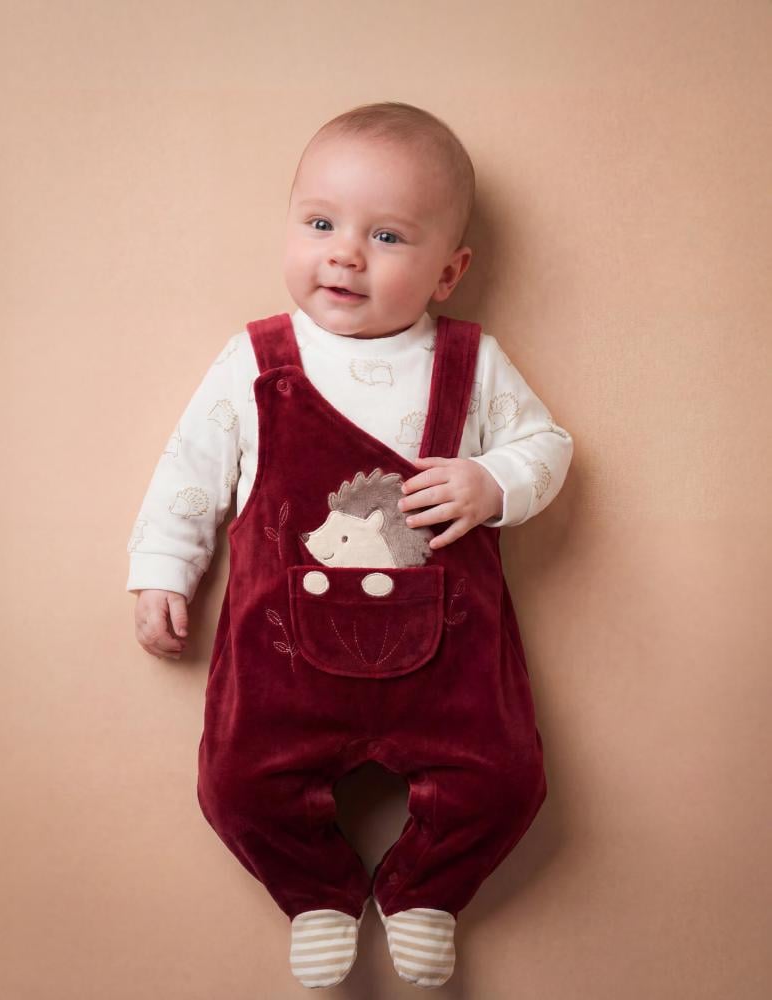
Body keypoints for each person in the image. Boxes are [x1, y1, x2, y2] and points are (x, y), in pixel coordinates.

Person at [127, 101, 573, 990]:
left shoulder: (469, 363)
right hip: (282, 670)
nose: (345, 254)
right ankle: (318, 893)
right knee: (233, 783)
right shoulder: (255, 362)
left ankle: (424, 892)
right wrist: (162, 570)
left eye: (388, 236)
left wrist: (493, 483)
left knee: (509, 782)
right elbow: (190, 471)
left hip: (450, 674)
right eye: (321, 223)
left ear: (448, 272)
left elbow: (547, 446)